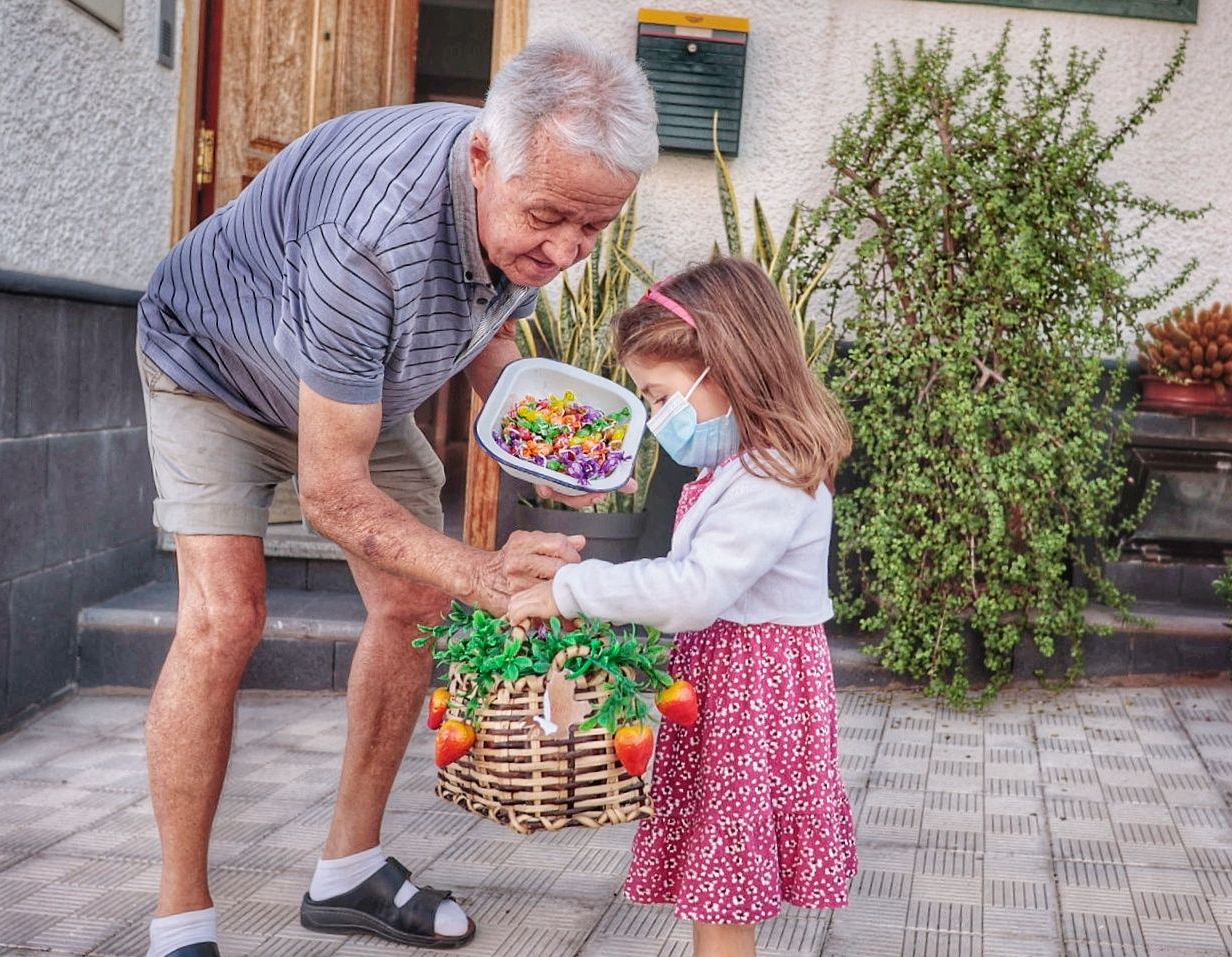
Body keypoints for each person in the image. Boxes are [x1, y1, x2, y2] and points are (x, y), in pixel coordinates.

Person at [134, 36, 658, 957]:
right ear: (483, 158)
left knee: (413, 602)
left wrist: (549, 441)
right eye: (551, 219)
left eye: (594, 229)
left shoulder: (522, 195)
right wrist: (486, 576)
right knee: (225, 618)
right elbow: (332, 495)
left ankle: (348, 871)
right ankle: (180, 922)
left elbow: (490, 336)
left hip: (352, 391)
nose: (568, 250)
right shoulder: (369, 235)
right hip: (211, 369)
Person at [507, 258, 859, 957]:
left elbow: (694, 589)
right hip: (730, 692)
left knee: (723, 883)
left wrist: (573, 589)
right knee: (715, 877)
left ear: (726, 367)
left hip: (751, 699)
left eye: (661, 395)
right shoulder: (739, 465)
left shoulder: (774, 475)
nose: (659, 416)